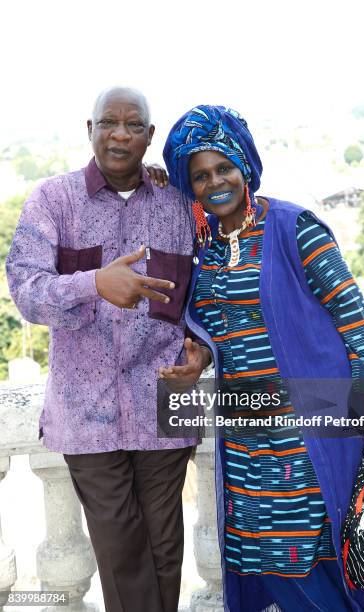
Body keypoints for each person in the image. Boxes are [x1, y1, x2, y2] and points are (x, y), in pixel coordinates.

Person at [161, 105, 364, 612]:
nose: (215, 182)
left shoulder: (293, 227)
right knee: (265, 560)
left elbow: (352, 315)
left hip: (310, 428)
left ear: (245, 164)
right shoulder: (204, 250)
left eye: (224, 167)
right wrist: (198, 357)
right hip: (246, 436)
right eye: (200, 176)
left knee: (329, 551)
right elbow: (211, 329)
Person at [6, 87, 211, 612]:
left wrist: (203, 352)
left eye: (133, 124)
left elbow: (211, 297)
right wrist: (92, 283)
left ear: (149, 135)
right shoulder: (54, 201)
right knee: (121, 552)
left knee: (167, 551)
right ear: (90, 129)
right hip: (85, 413)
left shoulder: (179, 208)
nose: (120, 133)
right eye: (108, 122)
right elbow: (26, 291)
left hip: (165, 405)